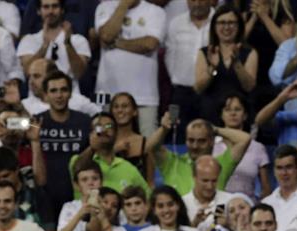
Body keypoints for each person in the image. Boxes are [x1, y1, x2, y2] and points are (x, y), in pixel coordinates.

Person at [96, 0, 165, 137]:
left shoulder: (156, 12)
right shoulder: (104, 7)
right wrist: (123, 6)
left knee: (148, 143)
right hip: (108, 94)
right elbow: (106, 36)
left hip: (145, 96)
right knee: (106, 137)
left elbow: (149, 44)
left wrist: (117, 43)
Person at [147, 113, 250, 196]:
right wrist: (164, 129)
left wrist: (215, 130)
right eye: (191, 140)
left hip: (211, 219)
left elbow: (245, 139)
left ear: (212, 141)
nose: (195, 146)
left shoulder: (220, 164)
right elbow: (149, 147)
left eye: (201, 141)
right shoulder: (172, 162)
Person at [193, 4, 257, 126]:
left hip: (240, 120)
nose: (227, 27)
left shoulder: (250, 53)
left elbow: (249, 86)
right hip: (211, 117)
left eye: (231, 23)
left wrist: (237, 63)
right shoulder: (205, 52)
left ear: (239, 26)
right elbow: (198, 88)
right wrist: (212, 68)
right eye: (221, 23)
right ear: (214, 27)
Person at [37, 70, 91, 215]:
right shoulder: (36, 121)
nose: (59, 95)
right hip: (44, 195)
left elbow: (108, 125)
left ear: (70, 93)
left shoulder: (85, 121)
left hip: (77, 194)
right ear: (45, 95)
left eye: (63, 90)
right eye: (53, 91)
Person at [163, 0, 214, 136]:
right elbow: (169, 56)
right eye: (192, 0)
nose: (197, 3)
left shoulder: (218, 21)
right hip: (180, 93)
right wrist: (177, 79)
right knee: (177, 133)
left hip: (211, 91)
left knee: (209, 135)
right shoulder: (176, 23)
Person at [69, 112, 149, 198]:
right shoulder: (78, 160)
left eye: (109, 126)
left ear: (116, 134)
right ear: (90, 134)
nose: (104, 130)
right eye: (98, 127)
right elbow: (78, 168)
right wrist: (92, 148)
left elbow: (148, 197)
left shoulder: (129, 168)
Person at [17, 0, 91, 85]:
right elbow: (27, 72)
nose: (50, 11)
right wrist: (44, 47)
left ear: (62, 10)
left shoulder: (79, 40)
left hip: (71, 96)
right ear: (38, 11)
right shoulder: (28, 40)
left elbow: (79, 73)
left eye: (55, 6)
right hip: (36, 97)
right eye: (46, 7)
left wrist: (68, 44)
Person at [212, 94, 271, 199]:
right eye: (227, 110)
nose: (233, 113)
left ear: (245, 115)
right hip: (219, 204)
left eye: (237, 109)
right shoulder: (211, 146)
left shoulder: (258, 148)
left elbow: (266, 188)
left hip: (248, 206)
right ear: (221, 115)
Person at [133, 186, 201, 231]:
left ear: (178, 205)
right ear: (154, 210)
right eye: (160, 206)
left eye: (170, 204)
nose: (166, 210)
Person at [261, 145, 297, 231]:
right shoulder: (266, 203)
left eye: (289, 167)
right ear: (274, 171)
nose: (284, 173)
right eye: (279, 168)